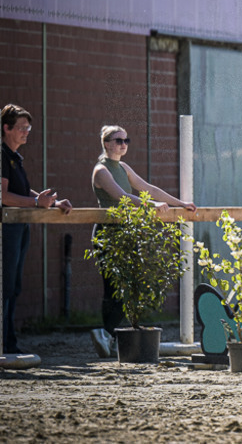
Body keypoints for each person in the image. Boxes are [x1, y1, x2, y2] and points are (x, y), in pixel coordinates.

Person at [89, 124, 196, 357]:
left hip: (126, 232)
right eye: (118, 141)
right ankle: (105, 333)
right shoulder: (101, 170)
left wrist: (180, 203)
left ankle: (113, 336)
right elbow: (122, 196)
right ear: (106, 143)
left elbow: (147, 188)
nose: (123, 145)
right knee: (113, 287)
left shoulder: (123, 166)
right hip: (108, 233)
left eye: (126, 140)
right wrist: (151, 205)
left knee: (128, 284)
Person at [2, 104, 73, 354]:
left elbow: (21, 191)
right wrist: (35, 202)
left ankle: (9, 343)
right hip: (7, 230)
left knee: (14, 286)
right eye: (21, 128)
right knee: (5, 286)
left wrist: (52, 202)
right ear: (6, 128)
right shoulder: (1, 154)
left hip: (19, 228)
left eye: (28, 128)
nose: (26, 132)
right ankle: (5, 344)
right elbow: (4, 196)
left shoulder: (14, 157)